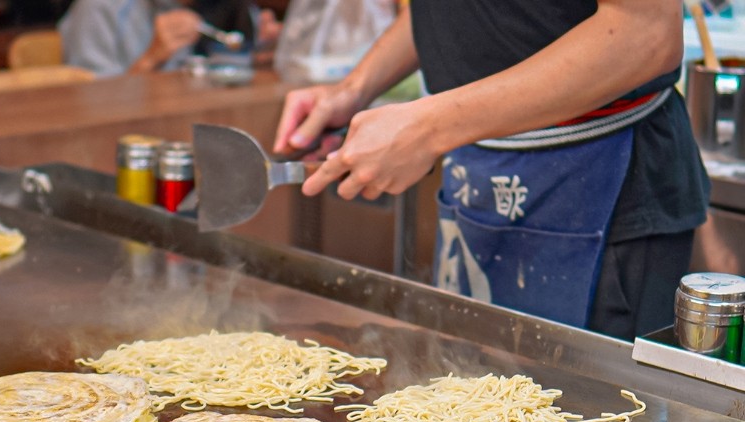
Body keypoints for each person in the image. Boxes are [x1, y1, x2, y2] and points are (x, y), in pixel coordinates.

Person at [273, 1, 710, 340]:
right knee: (473, 407)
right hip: (479, 170)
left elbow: (645, 33)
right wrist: (353, 89)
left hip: (600, 186)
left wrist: (427, 128)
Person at [58, 0, 281, 77]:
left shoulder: (225, 7)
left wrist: (257, 52)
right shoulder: (99, 9)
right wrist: (152, 58)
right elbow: (89, 108)